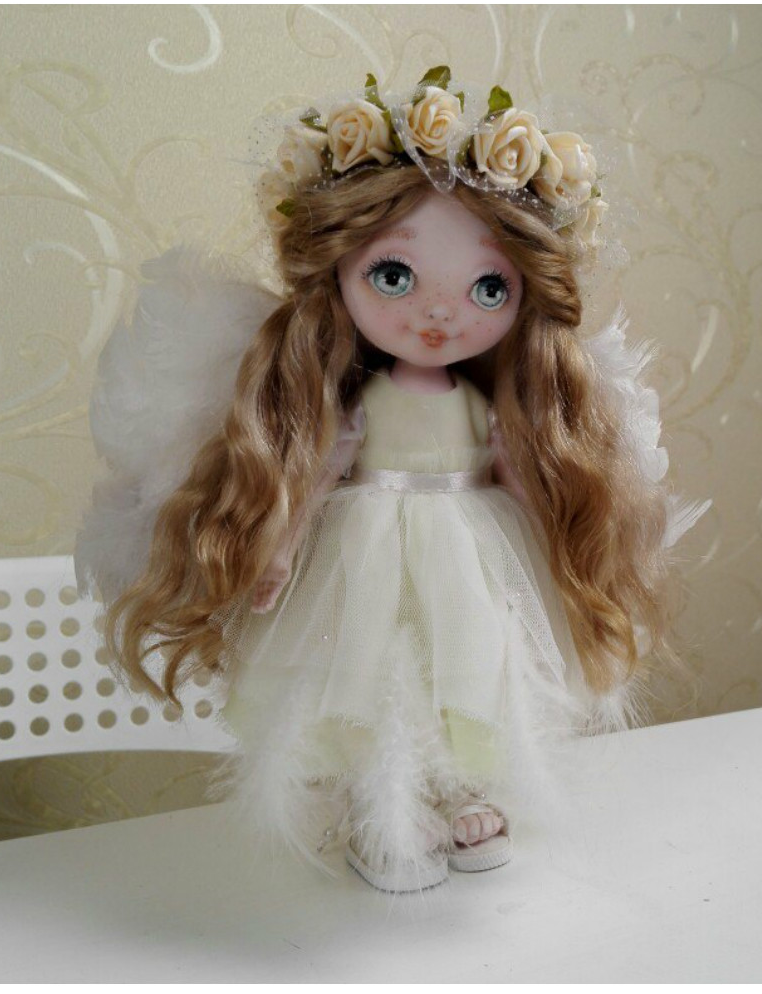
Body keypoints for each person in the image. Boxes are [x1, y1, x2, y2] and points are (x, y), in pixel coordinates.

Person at [76, 68, 707, 893]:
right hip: (361, 552)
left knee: (473, 666)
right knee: (364, 676)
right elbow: (313, 478)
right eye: (395, 276)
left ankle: (464, 791)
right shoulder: (356, 406)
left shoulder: (487, 405)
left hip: (475, 550)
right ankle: (377, 811)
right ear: (337, 272)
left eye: (487, 287)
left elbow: (525, 484)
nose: (439, 314)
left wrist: (553, 533)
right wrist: (277, 552)